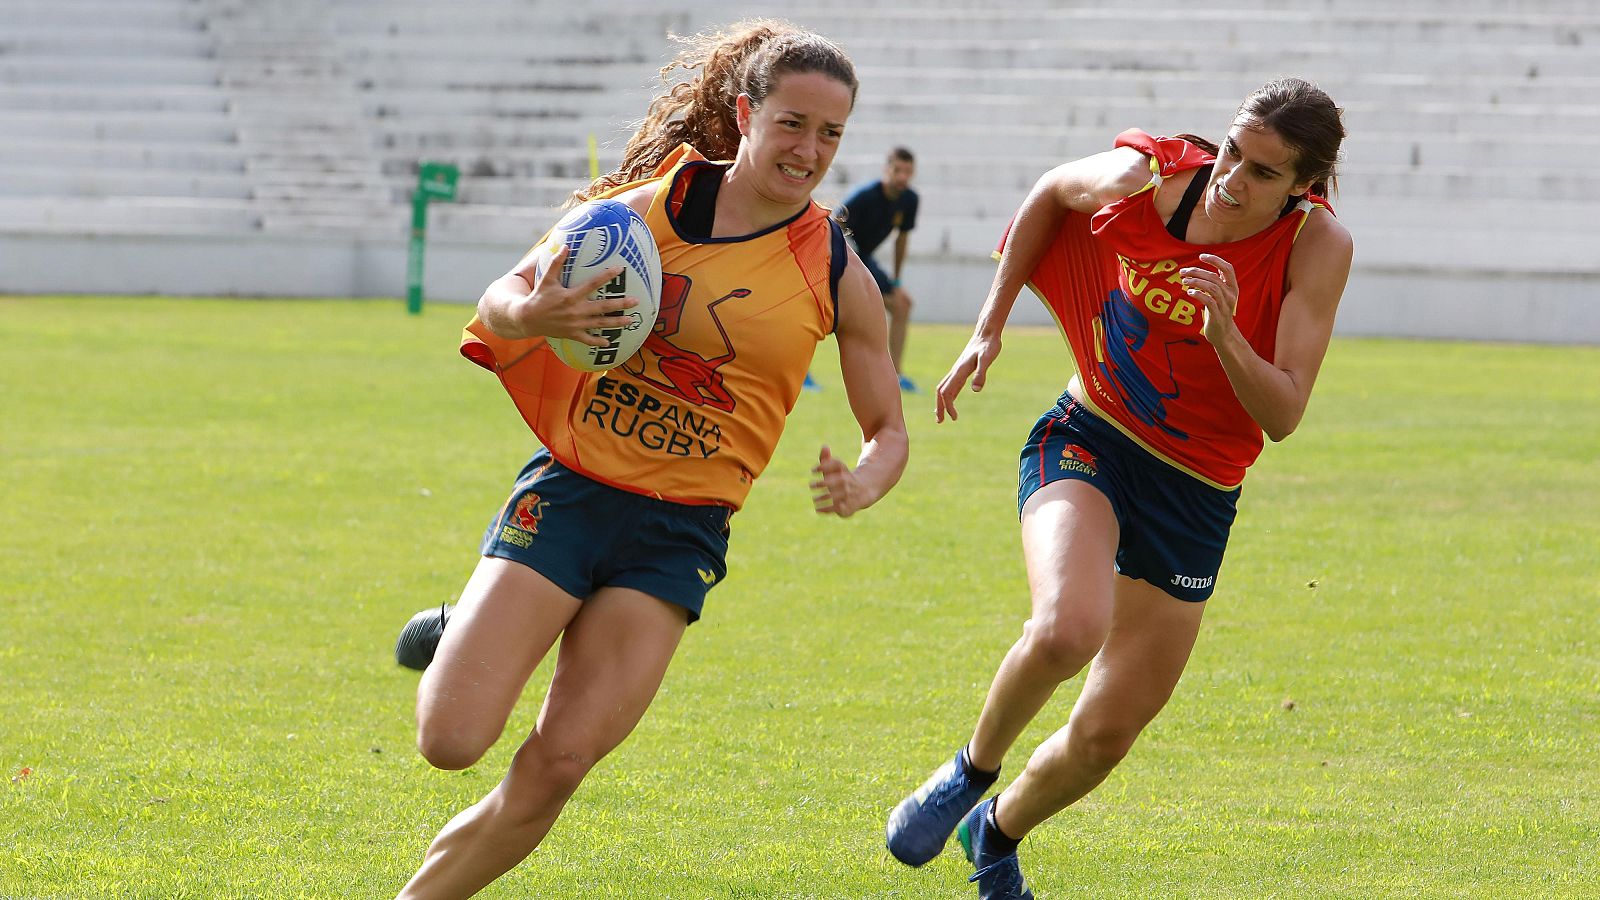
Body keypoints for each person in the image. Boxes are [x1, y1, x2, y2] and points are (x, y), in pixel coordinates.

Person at [391, 20, 908, 898]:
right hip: (572, 497)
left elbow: (887, 427)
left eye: (831, 134)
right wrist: (532, 319)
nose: (810, 150)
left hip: (680, 534)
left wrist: (864, 478)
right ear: (745, 113)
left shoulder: (834, 267)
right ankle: (464, 630)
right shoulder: (635, 217)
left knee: (558, 763)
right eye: (792, 123)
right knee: (450, 742)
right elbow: (504, 295)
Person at [884, 78, 1352, 900]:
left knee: (1106, 736)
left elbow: (1283, 414)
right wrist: (987, 327)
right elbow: (1049, 193)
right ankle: (969, 770)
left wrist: (1227, 333)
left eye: (1263, 173)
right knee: (1067, 627)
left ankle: (994, 834)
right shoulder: (1154, 175)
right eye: (1233, 150)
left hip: (1199, 491)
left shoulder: (1319, 248)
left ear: (1304, 187)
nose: (1231, 180)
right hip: (1090, 434)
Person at [837, 146, 921, 391]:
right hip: (845, 256)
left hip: (866, 258)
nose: (902, 177)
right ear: (887, 170)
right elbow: (833, 224)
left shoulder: (909, 200)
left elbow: (901, 239)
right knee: (828, 312)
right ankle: (804, 376)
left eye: (908, 171)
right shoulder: (865, 196)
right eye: (898, 170)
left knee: (902, 304)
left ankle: (896, 375)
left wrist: (896, 281)